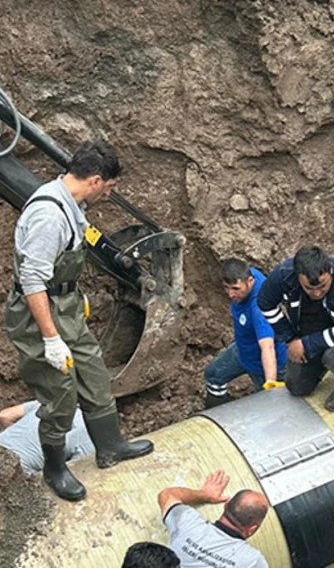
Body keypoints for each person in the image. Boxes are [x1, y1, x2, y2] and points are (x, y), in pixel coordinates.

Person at [4, 140, 153, 502]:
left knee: (93, 373)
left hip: (64, 304)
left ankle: (110, 446)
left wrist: (73, 296)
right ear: (96, 180)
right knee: (59, 394)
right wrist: (51, 339)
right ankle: (55, 469)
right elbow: (33, 281)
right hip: (38, 314)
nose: (109, 194)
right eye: (111, 188)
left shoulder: (72, 205)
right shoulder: (48, 216)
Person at [257, 245, 334, 411]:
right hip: (310, 331)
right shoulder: (285, 276)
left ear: (330, 272)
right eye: (309, 288)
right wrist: (290, 337)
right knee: (296, 387)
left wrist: (305, 345)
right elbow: (265, 302)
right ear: (298, 277)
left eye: (323, 286)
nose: (316, 294)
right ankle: (319, 367)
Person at [204, 258, 289, 408]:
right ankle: (219, 413)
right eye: (226, 287)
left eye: (236, 289)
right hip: (243, 349)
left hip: (262, 365)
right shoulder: (251, 274)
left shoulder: (259, 309)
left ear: (250, 281)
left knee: (269, 407)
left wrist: (270, 383)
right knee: (213, 375)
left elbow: (267, 347)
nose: (230, 294)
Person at [158, 469, 269, 568]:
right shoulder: (252, 561)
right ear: (252, 529)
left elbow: (166, 495)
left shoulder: (188, 524)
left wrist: (204, 494)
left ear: (226, 504)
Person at [0, 400, 94, 474]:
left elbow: (4, 416)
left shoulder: (53, 403)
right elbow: (76, 473)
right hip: (13, 470)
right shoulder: (90, 436)